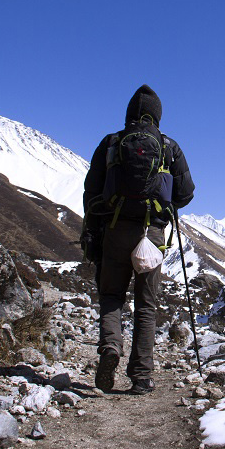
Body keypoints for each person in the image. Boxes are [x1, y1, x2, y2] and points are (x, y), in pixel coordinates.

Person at [82, 84, 194, 394]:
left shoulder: (111, 142)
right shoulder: (169, 146)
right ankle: (141, 376)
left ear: (130, 113)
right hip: (151, 234)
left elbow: (91, 191)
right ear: (158, 115)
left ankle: (110, 348)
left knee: (112, 295)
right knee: (146, 305)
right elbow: (186, 194)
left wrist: (91, 231)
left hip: (115, 230)